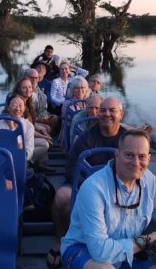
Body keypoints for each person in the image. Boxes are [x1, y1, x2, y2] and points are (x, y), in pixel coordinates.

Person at [47, 97, 126, 268]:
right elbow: (71, 168)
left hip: (117, 189)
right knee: (62, 198)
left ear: (121, 114)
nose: (107, 114)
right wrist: (90, 191)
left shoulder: (126, 139)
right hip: (85, 185)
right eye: (103, 110)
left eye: (112, 110)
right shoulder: (86, 138)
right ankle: (61, 240)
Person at [61, 129, 156, 269]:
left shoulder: (150, 181)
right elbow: (100, 252)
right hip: (84, 248)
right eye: (129, 155)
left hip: (126, 250)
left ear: (149, 158)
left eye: (142, 156)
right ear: (117, 155)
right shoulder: (94, 188)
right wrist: (147, 240)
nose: (136, 163)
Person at [28, 68, 59, 136]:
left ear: (38, 79)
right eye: (31, 77)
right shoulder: (25, 92)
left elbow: (43, 107)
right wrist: (37, 119)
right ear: (27, 78)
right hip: (30, 119)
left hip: (41, 114)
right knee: (47, 128)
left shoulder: (38, 90)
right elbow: (26, 114)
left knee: (55, 119)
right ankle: (46, 138)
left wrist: (45, 117)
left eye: (36, 78)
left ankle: (50, 138)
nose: (34, 80)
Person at [59, 76, 89, 147]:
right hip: (71, 132)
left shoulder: (88, 103)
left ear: (86, 90)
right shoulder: (67, 103)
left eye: (82, 88)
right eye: (77, 88)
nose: (80, 90)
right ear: (72, 90)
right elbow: (74, 118)